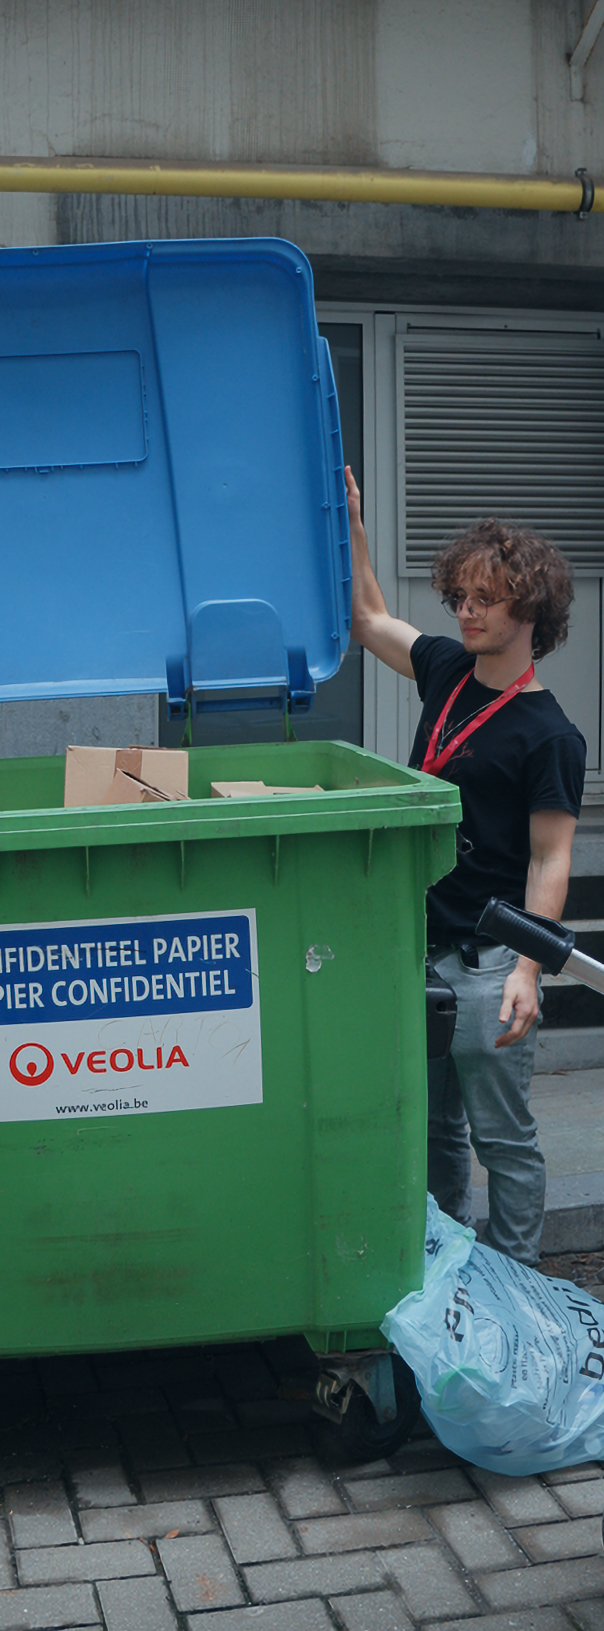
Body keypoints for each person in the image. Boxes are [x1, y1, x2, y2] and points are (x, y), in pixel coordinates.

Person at [346, 467, 585, 1266]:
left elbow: (552, 859)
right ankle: (442, 1269)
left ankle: (518, 1285)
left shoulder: (548, 733)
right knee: (434, 1129)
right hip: (422, 948)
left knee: (503, 1140)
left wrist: (529, 969)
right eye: (460, 596)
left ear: (531, 610)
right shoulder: (447, 671)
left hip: (490, 966)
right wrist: (350, 524)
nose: (465, 609)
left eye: (484, 597)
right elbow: (371, 617)